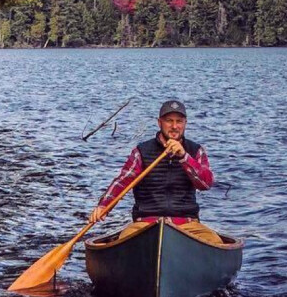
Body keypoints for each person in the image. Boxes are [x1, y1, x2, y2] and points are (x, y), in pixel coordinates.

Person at [88, 99, 223, 245]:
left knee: (215, 242)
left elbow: (206, 183)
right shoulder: (142, 151)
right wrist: (103, 206)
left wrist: (184, 157)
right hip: (145, 224)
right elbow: (122, 181)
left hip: (187, 224)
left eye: (179, 121)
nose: (174, 126)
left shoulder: (196, 151)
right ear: (159, 123)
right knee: (123, 241)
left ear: (185, 123)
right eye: (169, 121)